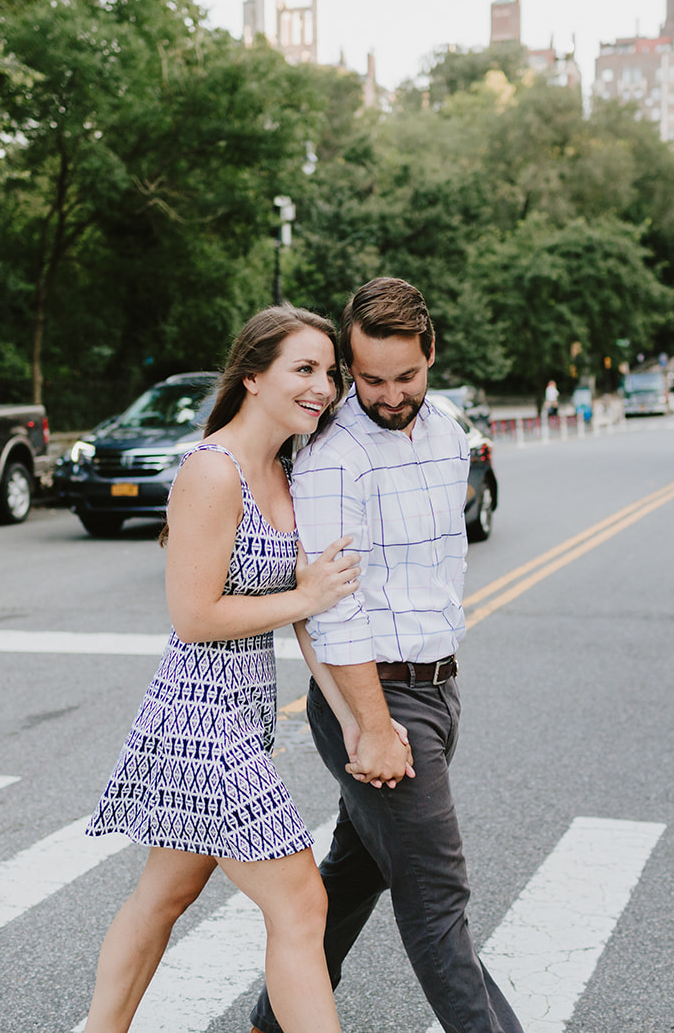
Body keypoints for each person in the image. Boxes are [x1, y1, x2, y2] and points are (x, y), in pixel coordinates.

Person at [82, 306, 377, 1033]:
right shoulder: (212, 472)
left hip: (239, 718)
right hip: (199, 721)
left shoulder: (281, 469)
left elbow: (303, 611)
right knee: (302, 903)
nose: (323, 386)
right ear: (252, 375)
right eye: (303, 369)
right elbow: (194, 615)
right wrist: (303, 592)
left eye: (329, 373)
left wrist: (355, 720)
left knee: (164, 894)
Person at [249, 278, 525, 1033]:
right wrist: (370, 723)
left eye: (406, 376)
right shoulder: (336, 456)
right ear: (350, 368)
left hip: (437, 688)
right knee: (437, 896)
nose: (389, 394)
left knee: (363, 863)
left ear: (430, 351)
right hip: (376, 699)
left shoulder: (445, 430)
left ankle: (274, 1018)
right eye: (369, 379)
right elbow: (336, 609)